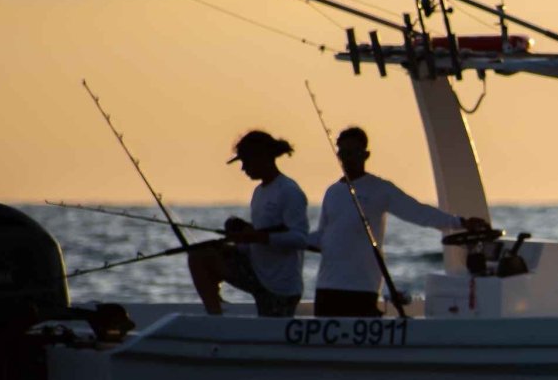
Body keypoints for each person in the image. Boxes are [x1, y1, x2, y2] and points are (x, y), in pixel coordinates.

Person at [311, 125, 486, 317]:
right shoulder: (332, 192)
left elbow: (418, 212)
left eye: (352, 152)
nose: (346, 158)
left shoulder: (380, 189)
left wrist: (460, 222)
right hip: (327, 286)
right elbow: (322, 237)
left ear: (365, 155)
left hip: (361, 287)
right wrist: (285, 238)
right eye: (342, 153)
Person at [188, 129, 310, 316]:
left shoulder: (289, 191)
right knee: (199, 255)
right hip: (258, 273)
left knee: (271, 336)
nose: (243, 168)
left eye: (246, 162)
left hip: (280, 286)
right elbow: (255, 241)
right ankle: (215, 318)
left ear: (262, 157)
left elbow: (300, 238)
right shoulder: (258, 193)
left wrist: (257, 236)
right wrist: (238, 243)